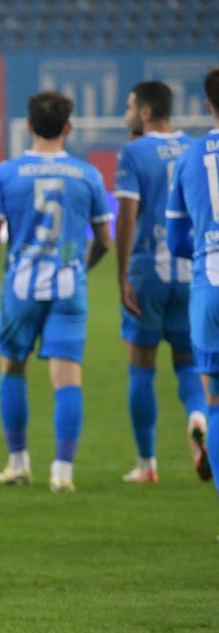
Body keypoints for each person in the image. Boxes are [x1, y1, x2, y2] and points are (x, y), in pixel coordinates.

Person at [0, 91, 112, 493]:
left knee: (13, 369)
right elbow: (104, 239)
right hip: (69, 288)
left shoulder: (4, 174)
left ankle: (18, 463)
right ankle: (62, 471)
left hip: (21, 288)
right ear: (68, 127)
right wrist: (81, 265)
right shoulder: (88, 175)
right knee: (67, 378)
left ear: (29, 126)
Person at [114, 81, 208, 484]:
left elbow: (126, 215)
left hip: (148, 271)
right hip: (191, 270)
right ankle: (198, 417)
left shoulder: (133, 152)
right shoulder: (196, 148)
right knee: (189, 363)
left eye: (129, 107)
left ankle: (147, 464)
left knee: (141, 368)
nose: (126, 115)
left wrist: (122, 274)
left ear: (147, 112)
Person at [166, 67, 219, 497]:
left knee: (214, 403)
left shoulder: (189, 157)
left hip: (209, 286)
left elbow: (175, 240)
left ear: (207, 104)